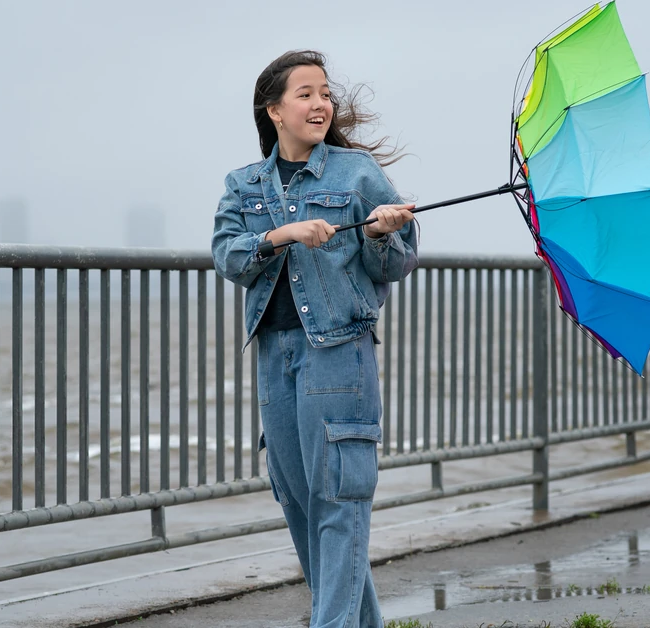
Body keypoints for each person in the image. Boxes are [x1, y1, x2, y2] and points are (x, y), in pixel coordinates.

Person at [211, 50, 420, 628]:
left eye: (325, 93)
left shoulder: (356, 173)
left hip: (339, 354)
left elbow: (396, 264)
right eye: (305, 94)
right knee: (302, 504)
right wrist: (280, 235)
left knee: (339, 503)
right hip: (275, 357)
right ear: (274, 109)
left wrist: (382, 235)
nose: (321, 104)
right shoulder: (243, 184)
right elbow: (228, 256)